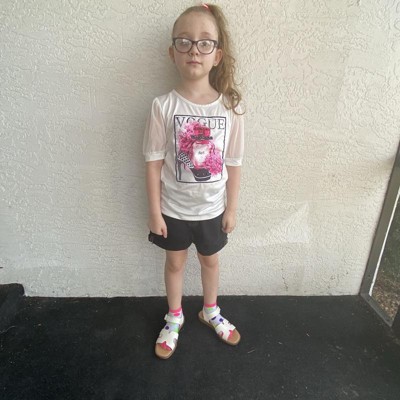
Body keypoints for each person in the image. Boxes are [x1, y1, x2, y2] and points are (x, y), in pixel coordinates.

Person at [143, 3, 244, 360]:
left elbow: (234, 163)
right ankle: (174, 317)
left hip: (212, 211)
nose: (194, 50)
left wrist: (231, 208)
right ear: (173, 52)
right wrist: (154, 212)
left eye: (205, 42)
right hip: (173, 210)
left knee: (210, 262)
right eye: (184, 42)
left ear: (217, 55)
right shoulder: (162, 106)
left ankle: (210, 310)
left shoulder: (230, 109)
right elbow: (153, 163)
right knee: (174, 264)